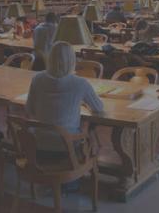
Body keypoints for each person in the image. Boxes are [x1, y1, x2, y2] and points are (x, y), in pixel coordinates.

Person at [25, 42, 104, 191]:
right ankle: (69, 182)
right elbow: (99, 108)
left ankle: (53, 178)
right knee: (89, 136)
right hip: (67, 148)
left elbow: (30, 110)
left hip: (39, 144)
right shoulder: (80, 83)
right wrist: (82, 104)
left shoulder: (37, 79)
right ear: (72, 61)